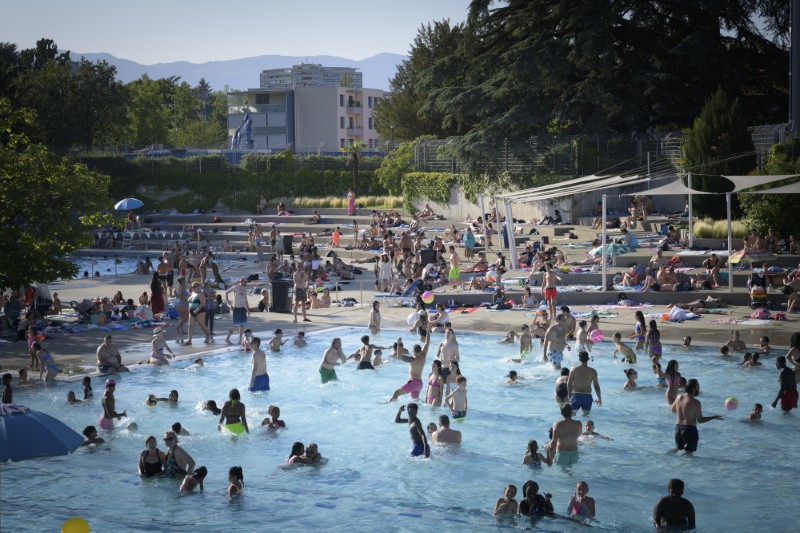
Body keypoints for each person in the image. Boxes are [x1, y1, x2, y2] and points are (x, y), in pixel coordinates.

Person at [671, 379, 723, 453]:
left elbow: (673, 409)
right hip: (689, 430)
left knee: (678, 448)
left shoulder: (679, 396)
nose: (699, 389)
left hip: (678, 429)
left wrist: (683, 413)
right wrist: (713, 417)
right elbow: (700, 420)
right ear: (694, 389)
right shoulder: (696, 402)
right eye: (698, 387)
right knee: (688, 455)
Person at [390, 325, 432, 401]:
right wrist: (428, 332)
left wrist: (399, 344)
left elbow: (399, 357)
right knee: (415, 401)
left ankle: (388, 406)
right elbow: (427, 343)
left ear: (414, 351)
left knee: (396, 393)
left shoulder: (413, 359)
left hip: (413, 382)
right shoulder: (423, 355)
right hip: (419, 384)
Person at [225, 278, 249, 345]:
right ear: (241, 282)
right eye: (244, 282)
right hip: (237, 308)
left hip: (243, 308)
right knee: (235, 325)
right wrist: (228, 301)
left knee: (242, 325)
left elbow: (246, 300)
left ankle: (240, 339)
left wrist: (248, 309)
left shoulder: (245, 289)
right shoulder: (236, 287)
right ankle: (227, 338)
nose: (246, 283)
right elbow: (226, 292)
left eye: (246, 282)